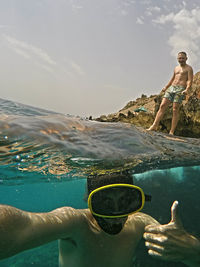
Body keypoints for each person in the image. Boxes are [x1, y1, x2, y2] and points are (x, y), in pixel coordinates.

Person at [0, 172, 199, 267]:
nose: (115, 216)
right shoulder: (76, 223)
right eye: (104, 204)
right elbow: (22, 226)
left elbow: (172, 240)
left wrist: (192, 249)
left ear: (136, 202)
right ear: (88, 202)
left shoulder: (139, 222)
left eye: (125, 202)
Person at [147, 51, 193, 135]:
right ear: (177, 59)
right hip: (172, 88)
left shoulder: (189, 68)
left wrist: (187, 89)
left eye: (183, 58)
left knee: (175, 109)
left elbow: (190, 80)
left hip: (180, 89)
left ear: (186, 58)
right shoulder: (176, 68)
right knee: (162, 105)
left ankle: (171, 131)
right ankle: (154, 125)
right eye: (179, 58)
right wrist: (166, 87)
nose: (181, 59)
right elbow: (172, 79)